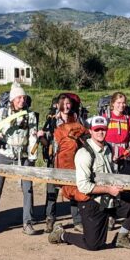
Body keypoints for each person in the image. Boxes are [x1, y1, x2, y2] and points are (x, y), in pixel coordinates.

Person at [48, 116, 130, 250]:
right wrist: (109, 189)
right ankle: (62, 235)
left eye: (103, 129)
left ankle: (122, 236)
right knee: (93, 245)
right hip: (92, 202)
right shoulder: (84, 153)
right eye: (97, 129)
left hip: (109, 198)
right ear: (90, 131)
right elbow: (84, 186)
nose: (101, 132)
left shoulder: (108, 148)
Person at [0, 82, 38, 235]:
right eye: (19, 98)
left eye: (24, 97)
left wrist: (32, 156)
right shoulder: (1, 113)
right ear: (12, 99)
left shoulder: (30, 116)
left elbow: (33, 137)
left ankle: (27, 222)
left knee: (27, 188)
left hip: (23, 156)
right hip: (4, 154)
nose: (22, 100)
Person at [38, 94, 83, 233]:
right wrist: (41, 137)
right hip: (55, 160)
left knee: (73, 190)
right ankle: (50, 219)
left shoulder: (76, 119)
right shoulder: (51, 120)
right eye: (63, 103)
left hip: (72, 160)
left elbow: (82, 138)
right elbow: (46, 143)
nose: (66, 106)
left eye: (68, 103)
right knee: (52, 191)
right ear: (58, 105)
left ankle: (77, 221)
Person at [104, 92, 130, 172]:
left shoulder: (128, 118)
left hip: (125, 156)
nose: (122, 105)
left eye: (124, 103)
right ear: (113, 103)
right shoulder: (106, 117)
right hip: (109, 154)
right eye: (119, 103)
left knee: (126, 181)